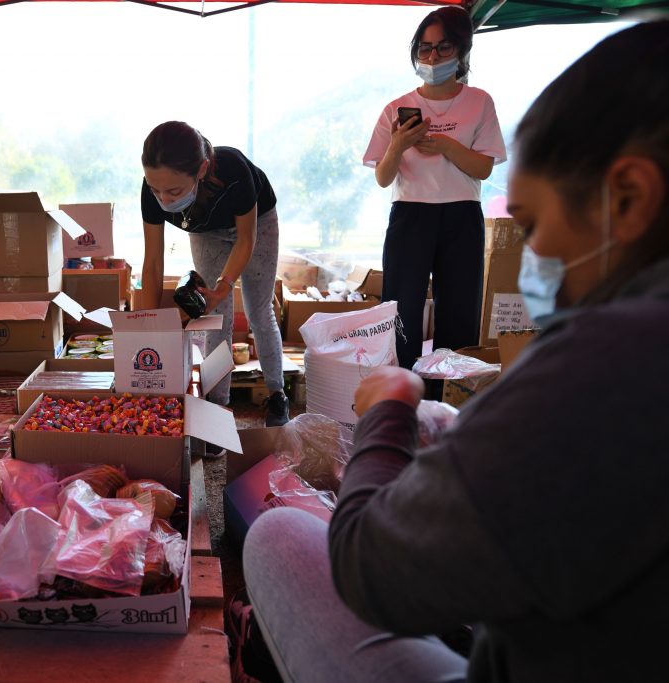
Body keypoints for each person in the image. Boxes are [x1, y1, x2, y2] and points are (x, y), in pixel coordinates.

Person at [243, 20, 669, 682]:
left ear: (631, 197)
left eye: (530, 224)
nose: (536, 254)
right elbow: (384, 173)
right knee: (435, 395)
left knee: (276, 538)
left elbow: (370, 568)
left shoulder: (609, 359)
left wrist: (386, 411)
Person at [363, 6, 507, 369]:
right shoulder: (398, 107)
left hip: (462, 213)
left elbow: (484, 168)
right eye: (424, 48)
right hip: (410, 212)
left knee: (460, 310)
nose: (432, 56)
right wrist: (398, 144)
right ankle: (403, 393)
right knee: (401, 308)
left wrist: (445, 146)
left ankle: (451, 397)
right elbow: (382, 178)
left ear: (461, 51)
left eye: (443, 48)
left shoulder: (479, 102)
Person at [140, 121, 290, 433]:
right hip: (206, 232)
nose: (164, 200)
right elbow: (153, 263)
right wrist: (144, 323)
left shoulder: (233, 170)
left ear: (202, 169)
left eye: (174, 190)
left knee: (257, 309)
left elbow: (246, 240)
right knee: (214, 316)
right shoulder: (151, 192)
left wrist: (223, 285)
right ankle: (216, 405)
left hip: (256, 223)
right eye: (156, 190)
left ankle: (277, 394)